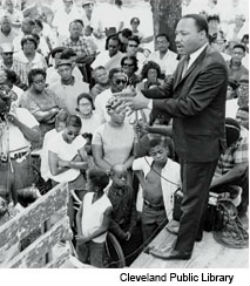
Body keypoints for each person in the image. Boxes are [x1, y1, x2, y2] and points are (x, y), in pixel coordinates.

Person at [120, 14, 228, 260]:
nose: (177, 38)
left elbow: (190, 105)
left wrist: (146, 101)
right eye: (176, 33)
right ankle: (194, 231)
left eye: (184, 33)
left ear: (203, 34)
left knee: (191, 197)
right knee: (193, 193)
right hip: (189, 141)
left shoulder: (213, 63)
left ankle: (181, 249)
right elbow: (169, 89)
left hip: (202, 144)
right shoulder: (188, 58)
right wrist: (137, 93)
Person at [132, 137, 181, 244]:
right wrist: (142, 181)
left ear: (167, 150)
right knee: (147, 240)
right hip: (147, 209)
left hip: (164, 211)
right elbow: (133, 165)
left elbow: (182, 189)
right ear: (150, 154)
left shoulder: (176, 168)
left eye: (160, 152)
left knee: (164, 239)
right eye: (154, 153)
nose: (158, 156)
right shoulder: (146, 162)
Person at [0, 83, 41, 204]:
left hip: (22, 161)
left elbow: (36, 137)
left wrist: (17, 122)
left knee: (25, 201)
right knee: (3, 203)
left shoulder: (22, 112)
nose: (4, 108)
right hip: (3, 166)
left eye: (5, 103)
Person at [210, 118, 248, 217]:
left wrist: (213, 183)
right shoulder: (212, 131)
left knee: (233, 214)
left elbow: (239, 169)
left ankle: (239, 215)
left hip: (235, 176)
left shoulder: (245, 138)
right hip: (217, 172)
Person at [75, 168, 112, 267]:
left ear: (96, 188)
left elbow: (104, 228)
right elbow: (79, 215)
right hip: (82, 238)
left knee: (95, 266)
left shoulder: (106, 206)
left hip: (96, 242)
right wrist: (80, 234)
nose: (85, 184)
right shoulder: (87, 196)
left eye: (88, 182)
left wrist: (87, 238)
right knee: (79, 263)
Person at [92, 97, 135, 173]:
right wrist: (113, 170)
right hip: (106, 173)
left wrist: (123, 168)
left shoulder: (132, 129)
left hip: (126, 172)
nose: (122, 115)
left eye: (124, 112)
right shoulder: (99, 132)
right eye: (118, 112)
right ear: (109, 112)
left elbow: (135, 154)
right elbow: (97, 159)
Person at [108, 164, 140, 266]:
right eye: (120, 177)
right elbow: (109, 219)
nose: (123, 179)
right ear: (112, 177)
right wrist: (121, 233)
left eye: (125, 177)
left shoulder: (129, 190)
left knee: (133, 256)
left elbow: (133, 210)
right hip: (114, 232)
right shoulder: (107, 194)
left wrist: (130, 230)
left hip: (127, 229)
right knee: (117, 260)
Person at [19, 68, 61, 145]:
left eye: (43, 81)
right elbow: (37, 116)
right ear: (31, 83)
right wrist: (53, 111)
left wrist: (51, 113)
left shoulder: (49, 92)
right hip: (39, 132)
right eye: (38, 82)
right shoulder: (26, 97)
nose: (41, 84)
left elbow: (60, 107)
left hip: (55, 128)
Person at [47, 114, 88, 190]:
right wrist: (74, 162)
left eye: (76, 134)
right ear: (64, 127)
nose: (73, 136)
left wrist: (63, 163)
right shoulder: (53, 142)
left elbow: (85, 165)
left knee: (88, 200)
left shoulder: (79, 139)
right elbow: (54, 171)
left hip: (77, 179)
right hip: (60, 183)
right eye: (70, 133)